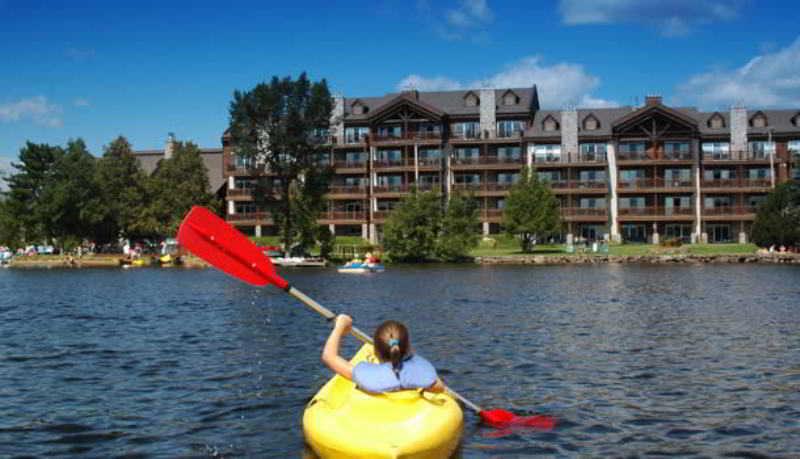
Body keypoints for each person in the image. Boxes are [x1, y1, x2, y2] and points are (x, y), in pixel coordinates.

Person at [321, 314, 444, 394]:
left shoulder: (365, 374)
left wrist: (340, 327)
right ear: (407, 348)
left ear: (376, 352)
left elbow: (329, 356)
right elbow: (439, 387)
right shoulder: (420, 374)